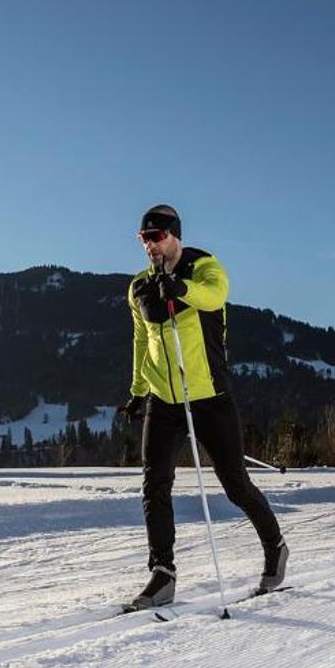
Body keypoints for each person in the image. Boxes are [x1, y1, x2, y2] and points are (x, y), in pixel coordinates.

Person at [119, 204, 286, 608]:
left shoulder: (204, 267)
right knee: (155, 484)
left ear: (174, 235)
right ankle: (162, 573)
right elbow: (143, 340)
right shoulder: (139, 286)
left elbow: (214, 297)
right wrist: (138, 390)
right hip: (164, 399)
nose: (150, 246)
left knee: (236, 485)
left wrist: (180, 290)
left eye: (156, 237)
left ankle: (275, 545)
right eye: (143, 239)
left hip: (210, 397)